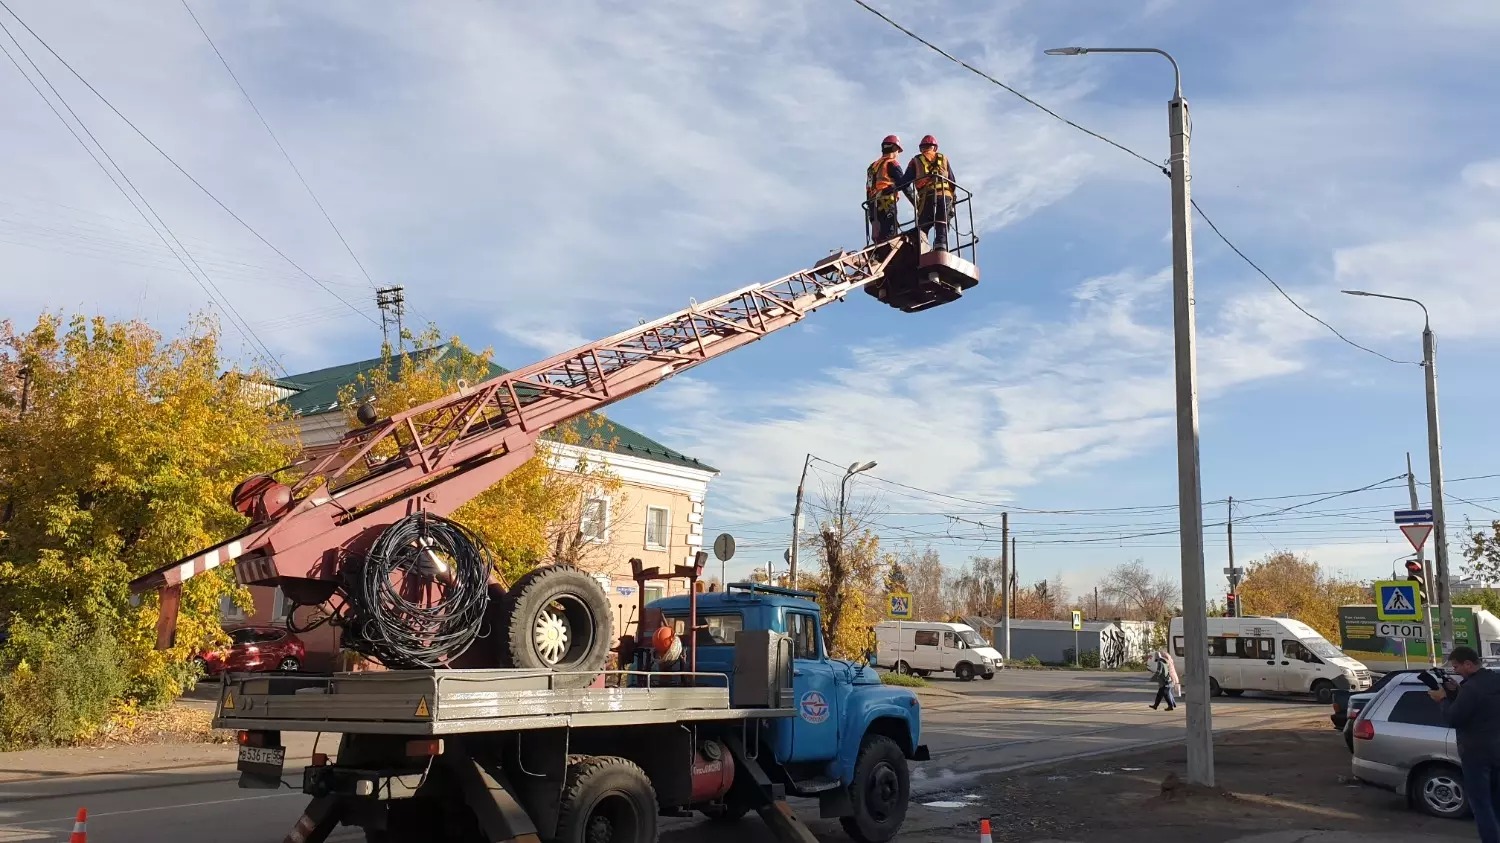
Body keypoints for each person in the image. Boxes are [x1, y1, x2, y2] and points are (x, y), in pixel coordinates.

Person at [1429, 646, 1500, 842]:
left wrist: (1442, 699)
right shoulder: (1494, 680)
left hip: (1476, 753)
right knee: (1496, 801)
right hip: (1497, 749)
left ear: (1468, 664)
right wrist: (1458, 691)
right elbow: (1481, 706)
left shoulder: (1472, 688)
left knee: (1481, 804)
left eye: (1457, 666)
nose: (1456, 671)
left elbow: (1453, 718)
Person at [903, 135, 956, 251]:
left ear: (921, 148)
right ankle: (940, 247)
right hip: (945, 196)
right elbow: (953, 182)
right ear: (935, 148)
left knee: (923, 226)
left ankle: (920, 250)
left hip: (928, 197)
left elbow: (904, 182)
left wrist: (913, 200)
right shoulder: (944, 159)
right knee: (941, 222)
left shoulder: (916, 160)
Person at [866, 135, 913, 242]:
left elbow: (868, 189)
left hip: (873, 207)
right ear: (895, 149)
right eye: (898, 151)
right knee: (890, 236)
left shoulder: (872, 167)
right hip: (886, 204)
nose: (897, 154)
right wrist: (917, 205)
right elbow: (905, 184)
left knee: (878, 238)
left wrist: (871, 211)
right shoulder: (891, 163)